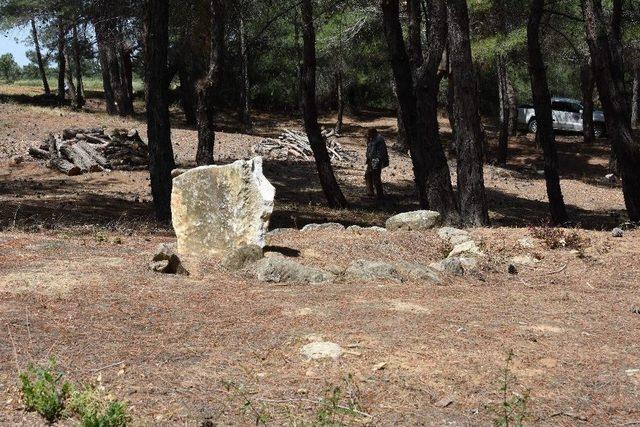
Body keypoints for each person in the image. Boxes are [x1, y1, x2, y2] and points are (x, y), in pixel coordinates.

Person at [365, 128, 389, 199]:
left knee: (376, 177)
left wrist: (381, 161)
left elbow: (382, 152)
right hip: (371, 160)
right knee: (368, 175)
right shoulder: (371, 139)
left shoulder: (379, 139)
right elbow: (369, 150)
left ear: (373, 133)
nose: (367, 135)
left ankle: (380, 195)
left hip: (376, 160)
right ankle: (370, 193)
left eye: (369, 133)